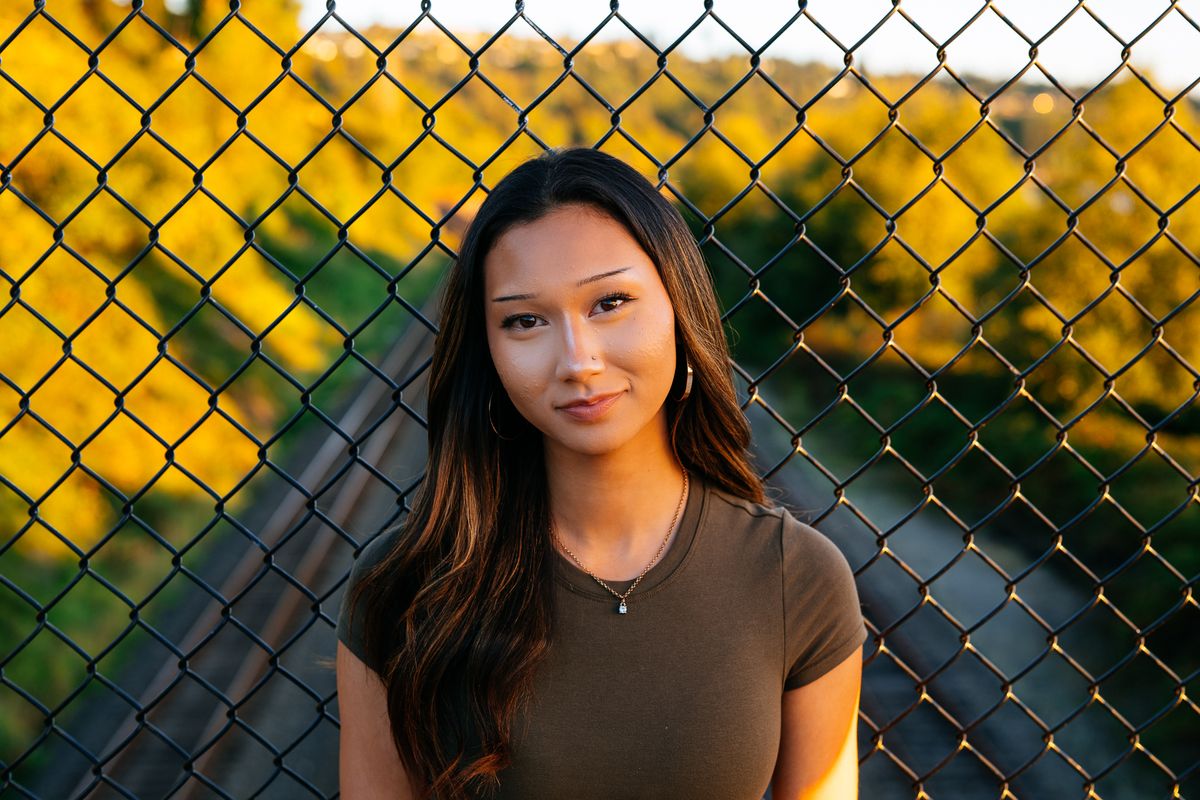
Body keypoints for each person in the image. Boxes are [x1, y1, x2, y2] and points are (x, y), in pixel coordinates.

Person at [335, 146, 867, 800]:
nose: (577, 360)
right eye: (525, 320)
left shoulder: (796, 578)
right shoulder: (403, 587)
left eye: (610, 302)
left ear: (679, 306)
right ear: (490, 351)